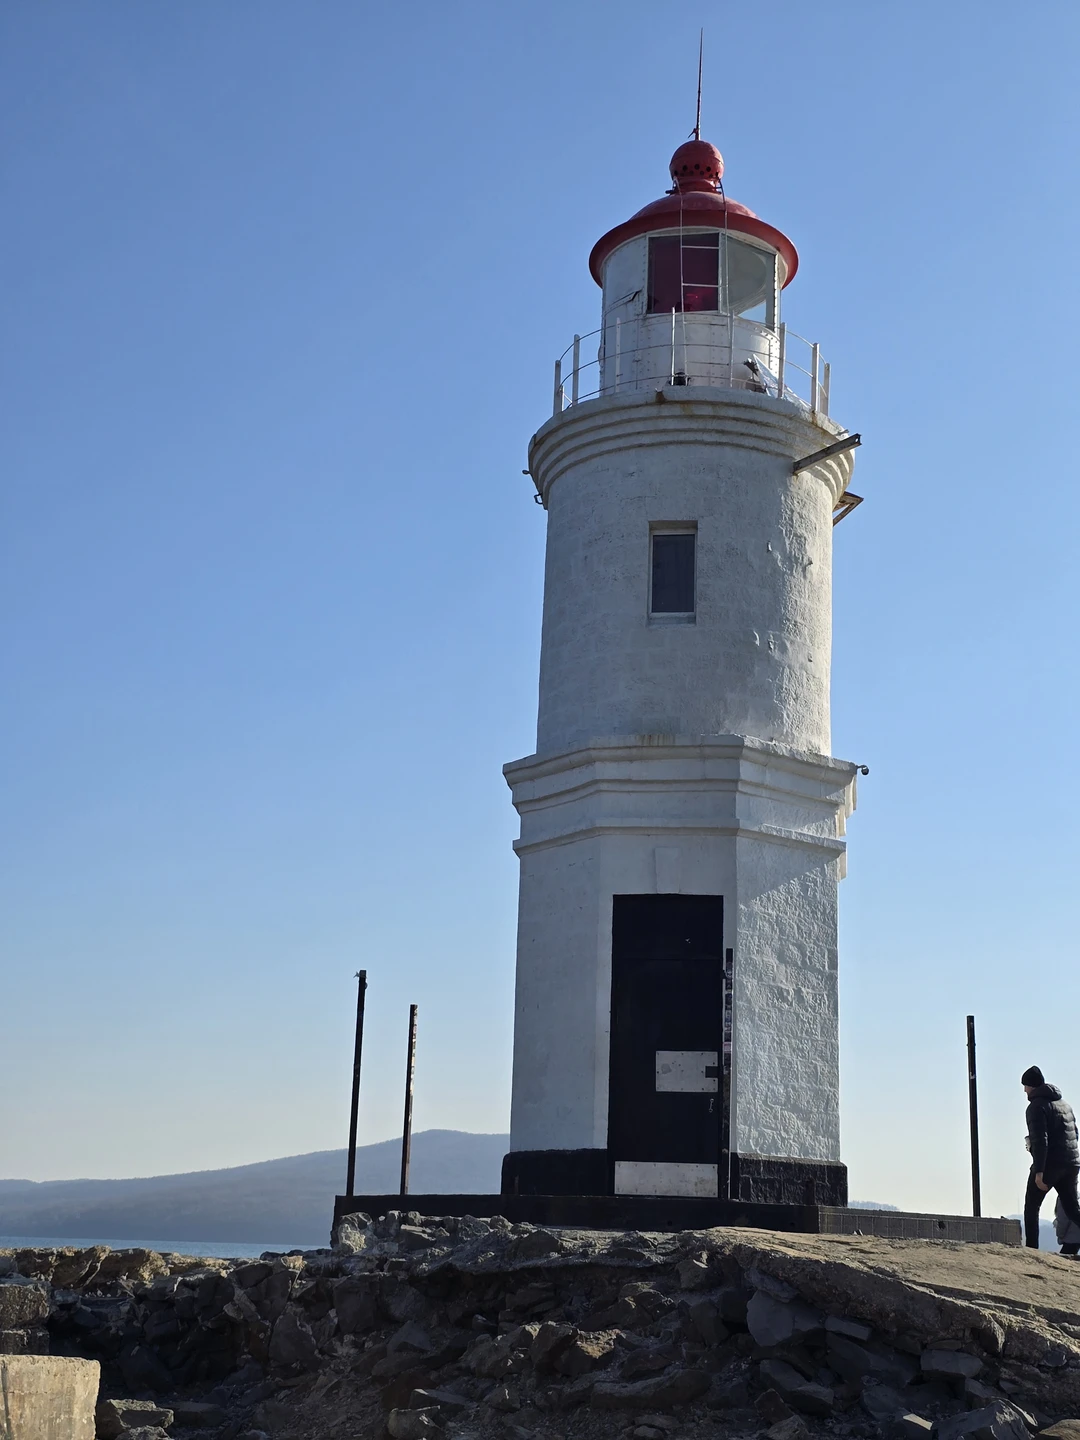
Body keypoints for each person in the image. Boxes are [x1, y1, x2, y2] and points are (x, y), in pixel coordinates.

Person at [1022, 1065, 1080, 1249]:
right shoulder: (1065, 1105)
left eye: (1025, 1086)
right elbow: (1075, 1134)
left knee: (1031, 1208)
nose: (1024, 1090)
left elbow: (1041, 1141)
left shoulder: (1035, 1107)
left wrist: (1039, 1171)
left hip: (1050, 1164)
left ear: (1032, 1086)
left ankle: (1031, 1251)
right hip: (1071, 1163)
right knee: (1072, 1209)